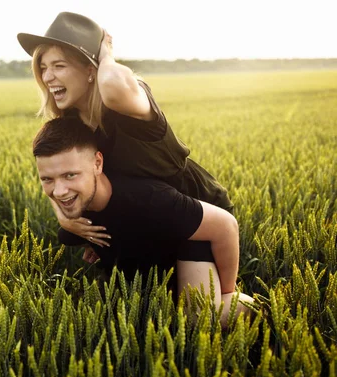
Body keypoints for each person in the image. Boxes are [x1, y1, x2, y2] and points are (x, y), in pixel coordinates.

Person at [18, 11, 236, 298]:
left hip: (194, 214)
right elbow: (59, 177)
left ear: (90, 69)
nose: (47, 77)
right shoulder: (72, 124)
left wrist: (105, 52)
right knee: (149, 310)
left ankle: (250, 305)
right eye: (43, 67)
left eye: (59, 65)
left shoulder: (128, 103)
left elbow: (112, 86)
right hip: (141, 222)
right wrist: (63, 217)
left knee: (206, 315)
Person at [33, 116, 253, 325]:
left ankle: (265, 309)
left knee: (197, 319)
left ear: (98, 163)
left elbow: (226, 225)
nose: (60, 191)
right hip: (162, 268)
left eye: (70, 175)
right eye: (47, 179)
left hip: (193, 240)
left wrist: (226, 294)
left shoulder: (149, 200)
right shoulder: (77, 225)